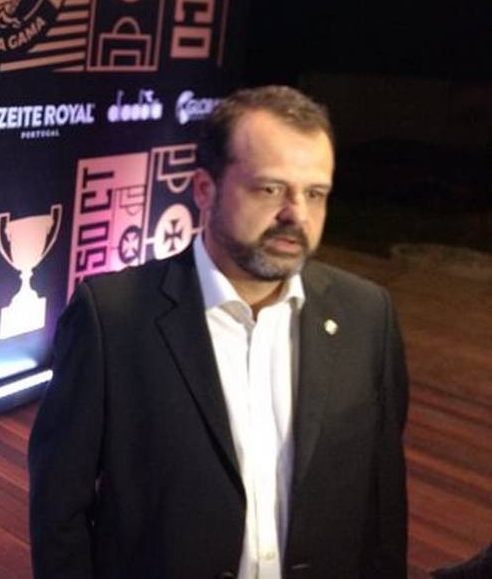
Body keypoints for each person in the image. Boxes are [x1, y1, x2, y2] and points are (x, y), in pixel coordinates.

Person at [28, 86, 408, 578]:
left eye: (315, 194)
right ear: (205, 189)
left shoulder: (368, 315)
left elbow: (383, 497)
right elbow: (60, 506)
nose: (297, 214)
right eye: (270, 189)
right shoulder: (112, 318)